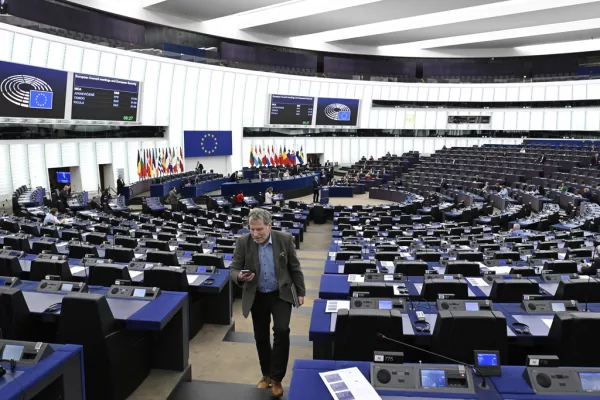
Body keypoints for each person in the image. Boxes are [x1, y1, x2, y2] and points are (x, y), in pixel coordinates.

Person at [229, 209, 305, 398]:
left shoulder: (285, 239)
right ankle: (267, 375)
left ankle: (277, 378)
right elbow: (233, 268)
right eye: (252, 229)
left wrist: (301, 292)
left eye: (260, 229)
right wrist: (239, 276)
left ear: (269, 226)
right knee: (261, 336)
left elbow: (295, 267)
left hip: (280, 294)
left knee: (281, 331)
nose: (255, 234)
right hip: (258, 296)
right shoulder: (243, 242)